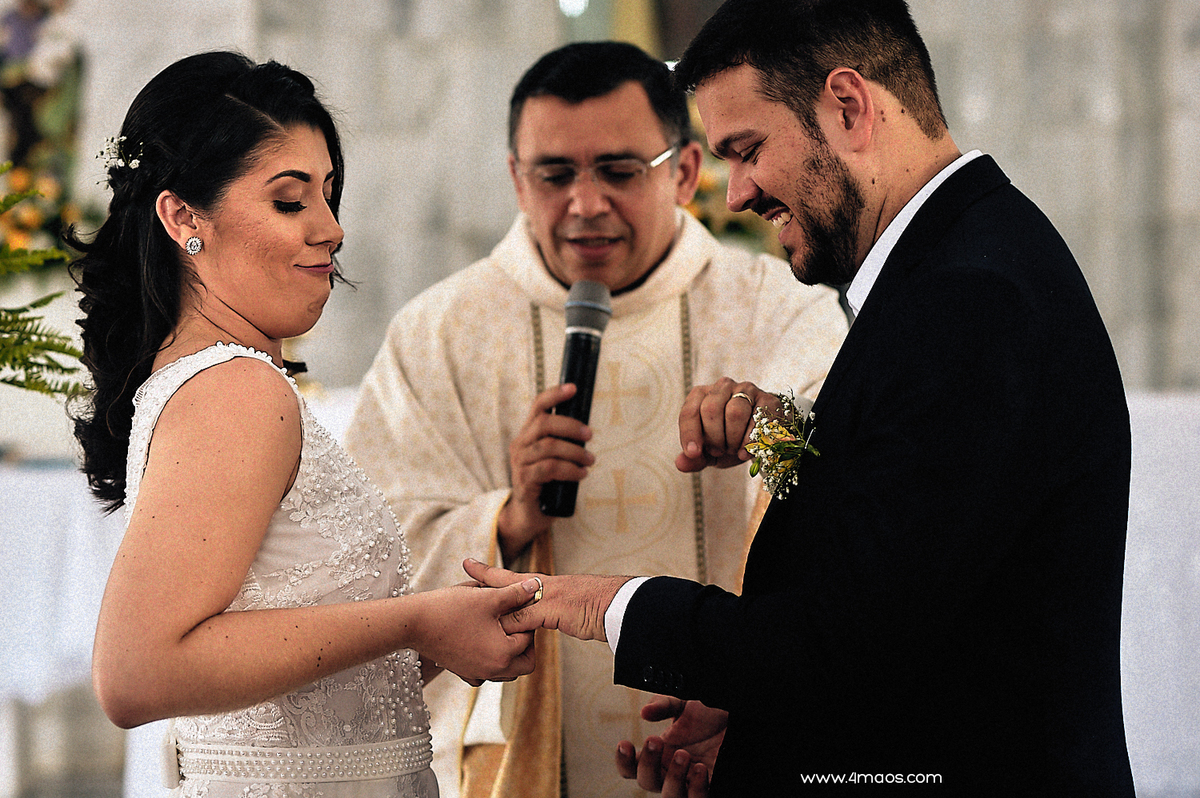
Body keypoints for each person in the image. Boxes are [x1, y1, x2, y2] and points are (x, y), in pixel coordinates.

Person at [468, 1, 1137, 795]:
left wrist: (612, 606)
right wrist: (757, 717)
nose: (738, 192)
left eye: (747, 151)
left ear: (849, 106)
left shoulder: (969, 296)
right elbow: (909, 590)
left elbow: (849, 645)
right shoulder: (959, 261)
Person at [343, 41, 848, 798]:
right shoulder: (440, 333)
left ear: (682, 173)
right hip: (524, 762)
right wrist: (505, 520)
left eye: (618, 171)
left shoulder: (779, 311)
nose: (584, 204)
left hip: (729, 739)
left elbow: (860, 506)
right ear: (517, 180)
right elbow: (366, 556)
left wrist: (766, 431)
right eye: (554, 175)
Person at [70, 51, 540, 797]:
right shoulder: (238, 392)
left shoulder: (203, 379)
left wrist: (444, 631)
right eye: (290, 202)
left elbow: (289, 679)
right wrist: (416, 621)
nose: (331, 229)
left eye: (329, 195)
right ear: (184, 217)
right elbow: (138, 674)